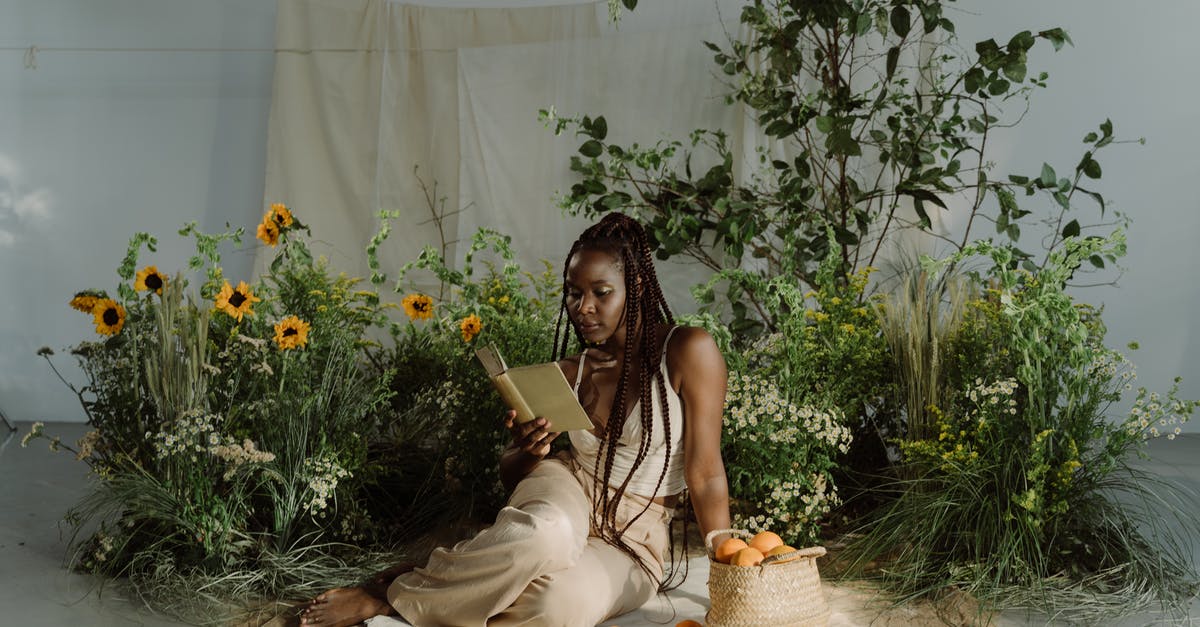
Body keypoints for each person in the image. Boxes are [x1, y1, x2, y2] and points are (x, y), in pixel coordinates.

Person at [299, 212, 730, 626]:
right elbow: (513, 478)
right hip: (568, 490)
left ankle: (459, 576)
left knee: (554, 607)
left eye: (601, 292)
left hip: (637, 538)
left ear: (635, 285)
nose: (584, 308)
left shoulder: (687, 350)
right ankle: (389, 597)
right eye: (574, 293)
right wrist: (529, 449)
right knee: (546, 533)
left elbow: (706, 473)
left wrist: (725, 562)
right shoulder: (569, 372)